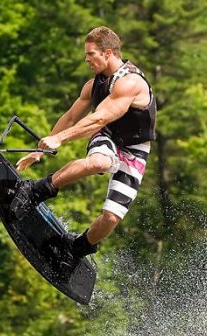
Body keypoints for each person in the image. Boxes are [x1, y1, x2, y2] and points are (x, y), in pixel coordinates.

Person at [11, 26, 157, 260]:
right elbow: (71, 117)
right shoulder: (92, 86)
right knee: (100, 161)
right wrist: (39, 151)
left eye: (91, 54)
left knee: (112, 217)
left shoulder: (130, 82)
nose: (86, 59)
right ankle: (36, 190)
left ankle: (75, 248)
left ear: (108, 53)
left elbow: (101, 116)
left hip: (135, 149)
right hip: (107, 134)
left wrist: (59, 138)